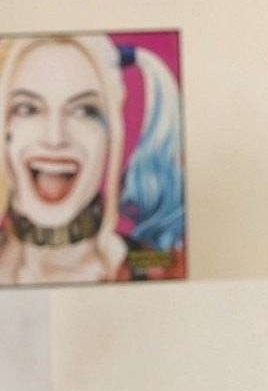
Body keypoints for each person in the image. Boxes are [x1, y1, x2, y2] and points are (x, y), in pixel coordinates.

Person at [0, 33, 186, 285]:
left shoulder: (158, 269)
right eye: (27, 109)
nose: (55, 138)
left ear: (111, 134)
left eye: (84, 110)